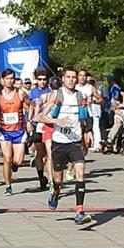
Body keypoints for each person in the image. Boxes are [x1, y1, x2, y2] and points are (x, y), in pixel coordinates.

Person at [38, 69, 93, 225]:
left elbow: (85, 116)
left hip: (75, 142)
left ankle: (79, 211)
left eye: (74, 77)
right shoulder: (56, 95)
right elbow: (40, 116)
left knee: (80, 173)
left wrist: (88, 132)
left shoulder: (80, 96)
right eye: (68, 77)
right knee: (58, 180)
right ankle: (55, 192)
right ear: (63, 79)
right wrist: (57, 121)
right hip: (59, 143)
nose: (71, 80)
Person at [0, 69, 32, 195]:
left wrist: (29, 121)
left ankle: (15, 165)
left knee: (18, 161)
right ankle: (8, 186)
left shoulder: (20, 93)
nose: (10, 81)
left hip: (19, 130)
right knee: (7, 158)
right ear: (2, 80)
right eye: (7, 78)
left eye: (12, 78)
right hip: (5, 131)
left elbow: (30, 105)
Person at [27, 69, 52, 190]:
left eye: (44, 79)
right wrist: (29, 121)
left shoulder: (51, 91)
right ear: (36, 80)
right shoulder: (32, 92)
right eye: (40, 79)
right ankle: (41, 177)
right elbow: (30, 107)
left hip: (49, 124)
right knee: (40, 153)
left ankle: (51, 179)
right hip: (37, 125)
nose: (42, 81)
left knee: (49, 153)